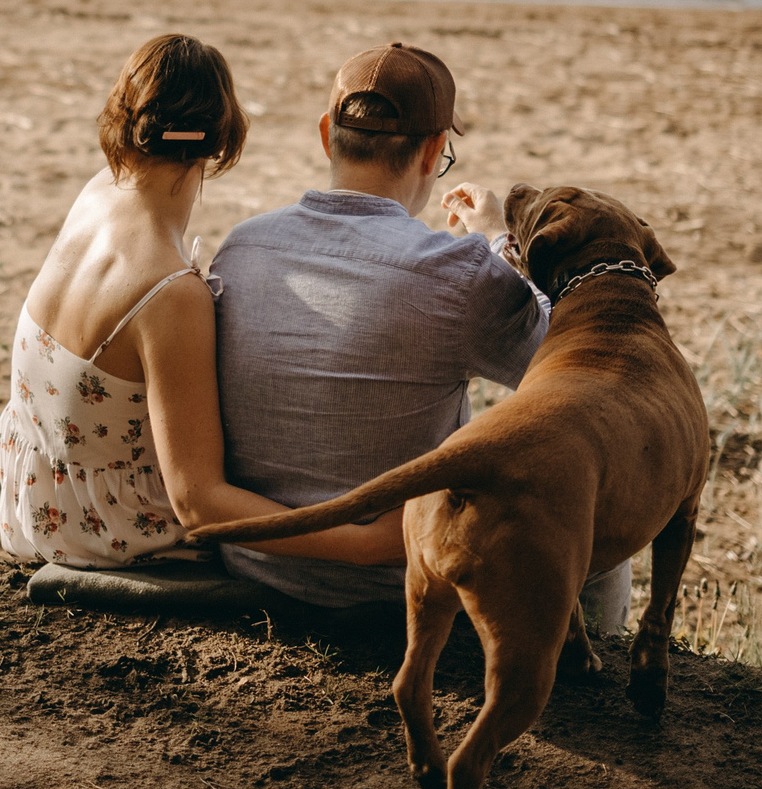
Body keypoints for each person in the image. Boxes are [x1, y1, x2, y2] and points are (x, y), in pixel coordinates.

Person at [0, 34, 405, 571]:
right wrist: (367, 544)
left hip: (34, 505)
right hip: (107, 535)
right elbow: (198, 505)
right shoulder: (170, 294)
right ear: (223, 139)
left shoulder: (98, 193)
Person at [209, 42, 594, 611]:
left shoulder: (243, 244)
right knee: (595, 523)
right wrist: (498, 243)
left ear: (326, 134)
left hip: (258, 567)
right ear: (433, 150)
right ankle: (593, 673)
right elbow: (564, 363)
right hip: (395, 585)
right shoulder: (456, 271)